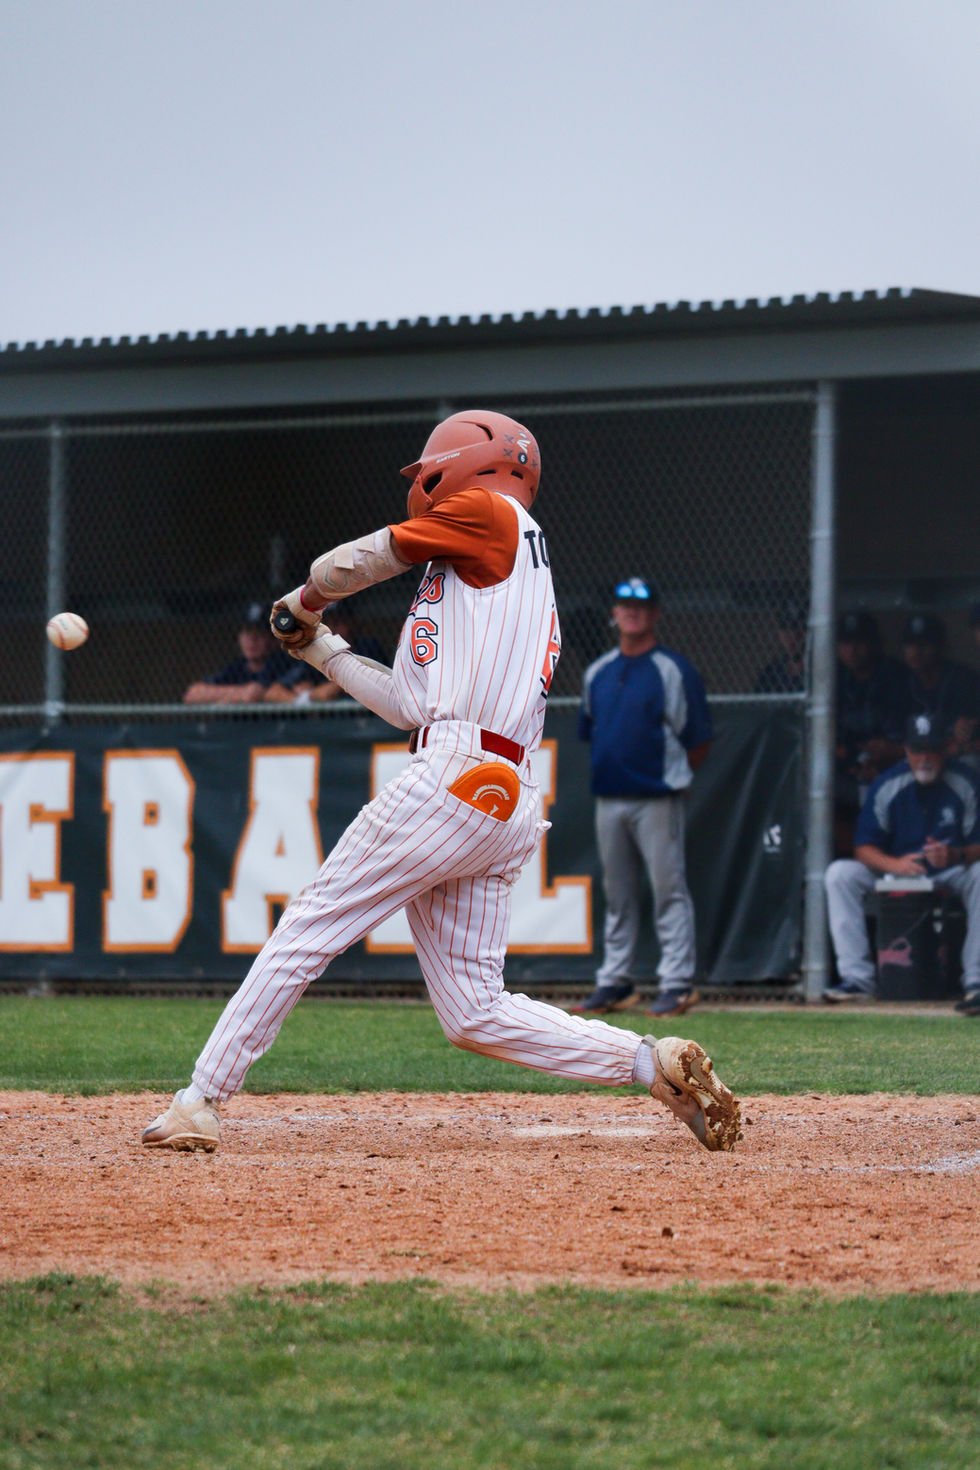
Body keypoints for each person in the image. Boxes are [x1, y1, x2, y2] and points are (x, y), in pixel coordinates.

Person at [142, 410, 742, 1154]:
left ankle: (201, 1098)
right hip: (504, 791)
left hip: (455, 774)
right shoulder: (478, 576)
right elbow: (408, 704)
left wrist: (303, 603)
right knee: (473, 1013)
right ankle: (650, 1064)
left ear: (468, 465)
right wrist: (324, 650)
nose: (423, 486)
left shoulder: (493, 512)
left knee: (310, 922)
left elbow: (349, 566)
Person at [572, 576, 713, 1019]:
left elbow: (698, 739)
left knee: (669, 888)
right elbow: (590, 732)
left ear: (655, 615)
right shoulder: (598, 671)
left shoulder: (672, 669)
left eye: (642, 606)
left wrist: (677, 776)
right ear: (614, 614)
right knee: (618, 893)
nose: (632, 613)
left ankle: (677, 983)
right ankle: (615, 980)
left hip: (657, 796)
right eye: (624, 606)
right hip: (609, 797)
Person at [823, 712, 980, 1014]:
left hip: (952, 870)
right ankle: (857, 979)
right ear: (906, 750)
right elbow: (863, 848)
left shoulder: (965, 781)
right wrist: (895, 864)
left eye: (932, 748)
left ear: (946, 748)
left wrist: (956, 855)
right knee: (840, 874)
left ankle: (975, 981)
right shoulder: (888, 783)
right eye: (917, 749)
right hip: (900, 871)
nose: (925, 757)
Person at [834, 609, 908, 855]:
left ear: (875, 644)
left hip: (891, 767)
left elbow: (904, 738)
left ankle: (888, 856)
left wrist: (885, 758)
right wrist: (848, 759)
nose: (852, 650)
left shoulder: (896, 676)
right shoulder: (832, 677)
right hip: (846, 770)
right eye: (845, 643)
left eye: (859, 642)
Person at [264, 599, 388, 705]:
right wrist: (304, 698)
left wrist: (315, 694)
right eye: (328, 622)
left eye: (338, 622)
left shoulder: (367, 647)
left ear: (352, 623)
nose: (332, 628)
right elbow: (273, 692)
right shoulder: (317, 652)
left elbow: (348, 681)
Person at [900, 612, 980, 756]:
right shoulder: (898, 680)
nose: (916, 651)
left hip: (954, 757)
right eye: (910, 644)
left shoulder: (964, 679)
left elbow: (968, 730)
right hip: (911, 756)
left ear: (942, 647)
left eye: (924, 644)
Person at [183, 602, 294, 704]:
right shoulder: (238, 666)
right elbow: (192, 694)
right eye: (247, 632)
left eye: (259, 633)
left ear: (274, 638)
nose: (252, 639)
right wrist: (240, 693)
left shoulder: (283, 664)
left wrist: (224, 696)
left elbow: (255, 693)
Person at [753, 598, 807, 694]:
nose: (792, 635)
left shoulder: (820, 670)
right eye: (785, 628)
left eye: (798, 628)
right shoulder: (771, 673)